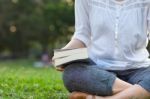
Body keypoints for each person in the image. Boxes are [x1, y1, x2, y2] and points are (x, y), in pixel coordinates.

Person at [53, 0, 150, 99]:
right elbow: (81, 36)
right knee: (71, 74)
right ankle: (138, 92)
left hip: (138, 70)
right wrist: (63, 55)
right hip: (98, 69)